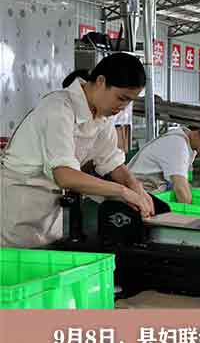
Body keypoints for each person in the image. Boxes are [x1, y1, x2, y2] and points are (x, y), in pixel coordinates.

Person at [1, 52, 154, 248]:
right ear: (100, 81)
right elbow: (65, 176)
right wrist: (122, 192)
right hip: (18, 204)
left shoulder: (101, 116)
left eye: (129, 101)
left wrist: (135, 187)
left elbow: (111, 162)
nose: (123, 107)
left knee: (46, 257)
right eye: (121, 98)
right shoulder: (58, 108)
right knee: (16, 263)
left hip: (49, 209)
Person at [128, 119, 200, 204]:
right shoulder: (178, 144)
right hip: (135, 197)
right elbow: (181, 189)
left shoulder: (188, 144)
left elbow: (185, 184)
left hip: (149, 194)